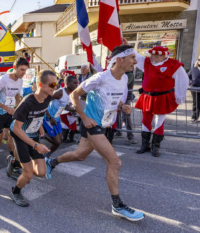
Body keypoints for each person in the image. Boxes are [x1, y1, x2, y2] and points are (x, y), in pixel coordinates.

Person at [46, 45, 145, 221]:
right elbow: (74, 95)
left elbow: (113, 102)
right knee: (115, 162)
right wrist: (83, 117)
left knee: (80, 155)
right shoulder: (100, 77)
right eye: (132, 57)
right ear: (120, 59)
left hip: (103, 124)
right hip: (91, 124)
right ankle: (117, 205)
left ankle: (51, 162)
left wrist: (123, 107)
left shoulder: (123, 80)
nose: (135, 61)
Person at [9, 70, 59, 207]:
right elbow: (16, 128)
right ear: (41, 85)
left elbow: (40, 112)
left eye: (57, 83)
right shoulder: (27, 102)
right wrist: (35, 145)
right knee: (28, 174)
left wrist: (40, 125)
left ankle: (14, 162)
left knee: (41, 172)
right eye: (53, 84)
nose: (55, 87)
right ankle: (15, 192)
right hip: (20, 134)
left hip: (33, 132)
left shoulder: (47, 97)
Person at [134, 46, 189, 157]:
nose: (153, 57)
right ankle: (145, 145)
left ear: (163, 55)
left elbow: (183, 80)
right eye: (152, 55)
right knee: (145, 120)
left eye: (156, 56)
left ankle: (156, 146)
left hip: (162, 97)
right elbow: (137, 57)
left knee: (159, 122)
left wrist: (179, 96)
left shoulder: (173, 64)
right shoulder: (147, 62)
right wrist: (127, 47)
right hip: (147, 97)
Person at [43, 76, 78, 161]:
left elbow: (64, 106)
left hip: (57, 119)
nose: (75, 85)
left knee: (59, 141)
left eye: (76, 83)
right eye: (73, 83)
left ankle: (46, 156)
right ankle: (41, 133)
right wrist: (50, 117)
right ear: (67, 83)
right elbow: (44, 102)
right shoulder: (60, 92)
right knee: (57, 142)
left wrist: (75, 109)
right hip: (48, 119)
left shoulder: (69, 94)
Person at [188, 56, 200, 123]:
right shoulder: (194, 69)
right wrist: (191, 82)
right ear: (198, 61)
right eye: (199, 60)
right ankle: (194, 117)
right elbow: (188, 76)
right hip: (195, 89)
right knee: (196, 103)